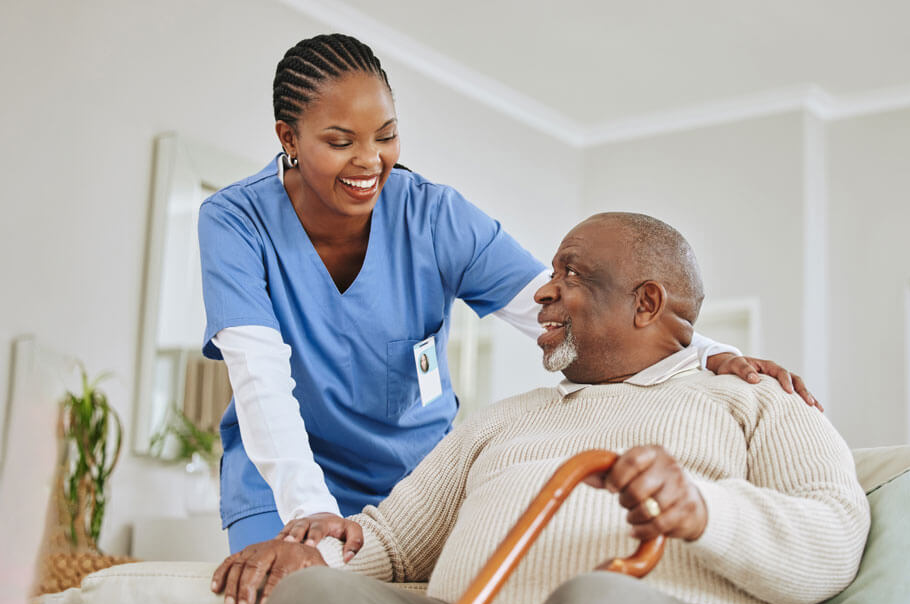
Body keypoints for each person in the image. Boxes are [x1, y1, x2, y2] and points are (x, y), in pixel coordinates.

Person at [198, 33, 823, 557]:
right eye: (340, 142)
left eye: (386, 135)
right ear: (288, 137)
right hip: (282, 478)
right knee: (289, 595)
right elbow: (260, 381)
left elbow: (558, 308)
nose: (371, 161)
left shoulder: (433, 217)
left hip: (412, 484)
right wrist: (310, 511)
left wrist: (704, 350)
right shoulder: (234, 222)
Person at [211, 213, 869, 604]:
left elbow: (835, 541)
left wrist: (703, 510)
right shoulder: (502, 421)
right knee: (313, 598)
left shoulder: (755, 398)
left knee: (599, 601)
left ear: (646, 303)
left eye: (572, 275)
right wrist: (307, 555)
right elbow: (388, 542)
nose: (545, 291)